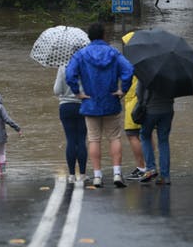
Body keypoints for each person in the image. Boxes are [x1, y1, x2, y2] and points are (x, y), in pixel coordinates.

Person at [66, 22, 134, 188]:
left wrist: (78, 93)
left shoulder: (81, 55)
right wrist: (122, 90)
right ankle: (117, 173)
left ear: (89, 36)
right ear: (104, 35)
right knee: (114, 138)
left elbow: (69, 74)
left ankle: (97, 176)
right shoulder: (114, 53)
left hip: (90, 103)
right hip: (111, 101)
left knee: (94, 139)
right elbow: (129, 70)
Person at [137, 81, 175, 185]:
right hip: (167, 110)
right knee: (163, 141)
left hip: (150, 110)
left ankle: (150, 168)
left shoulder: (146, 70)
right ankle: (165, 176)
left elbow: (139, 92)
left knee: (145, 136)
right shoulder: (173, 73)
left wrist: (141, 103)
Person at [54, 65, 88, 183]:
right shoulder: (86, 64)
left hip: (66, 107)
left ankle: (72, 176)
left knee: (71, 140)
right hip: (83, 105)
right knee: (82, 140)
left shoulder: (63, 67)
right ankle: (83, 175)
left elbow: (57, 90)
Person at [121, 32, 146, 181]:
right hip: (146, 103)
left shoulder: (129, 62)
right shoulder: (146, 61)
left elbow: (124, 82)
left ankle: (141, 167)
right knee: (145, 135)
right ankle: (149, 167)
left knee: (132, 134)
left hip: (133, 102)